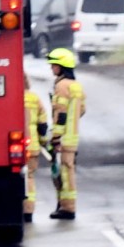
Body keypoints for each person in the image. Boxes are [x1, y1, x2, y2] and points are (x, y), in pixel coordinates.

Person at [46, 47, 86, 220]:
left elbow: (60, 114)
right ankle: (66, 206)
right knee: (68, 170)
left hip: (63, 139)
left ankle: (67, 208)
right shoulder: (76, 86)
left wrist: (55, 137)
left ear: (62, 66)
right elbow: (82, 110)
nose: (51, 68)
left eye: (54, 65)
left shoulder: (61, 86)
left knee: (64, 173)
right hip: (73, 136)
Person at [23, 84, 49, 221]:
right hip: (32, 144)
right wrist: (44, 141)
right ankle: (28, 210)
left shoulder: (10, 96)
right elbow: (43, 124)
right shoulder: (34, 98)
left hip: (11, 144)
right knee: (29, 177)